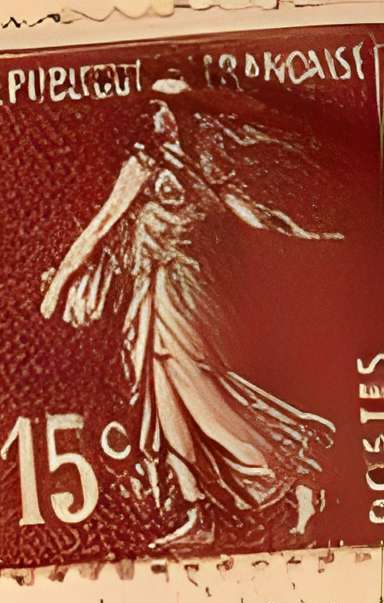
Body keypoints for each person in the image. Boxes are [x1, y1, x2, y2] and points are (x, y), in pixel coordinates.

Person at [39, 82, 346, 546]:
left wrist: (310, 232)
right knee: (165, 394)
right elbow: (101, 226)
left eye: (173, 106)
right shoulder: (143, 165)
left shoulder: (205, 162)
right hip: (156, 291)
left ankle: (289, 469)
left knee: (200, 387)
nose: (163, 116)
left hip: (191, 291)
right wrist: (60, 284)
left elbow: (254, 213)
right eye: (156, 108)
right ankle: (200, 509)